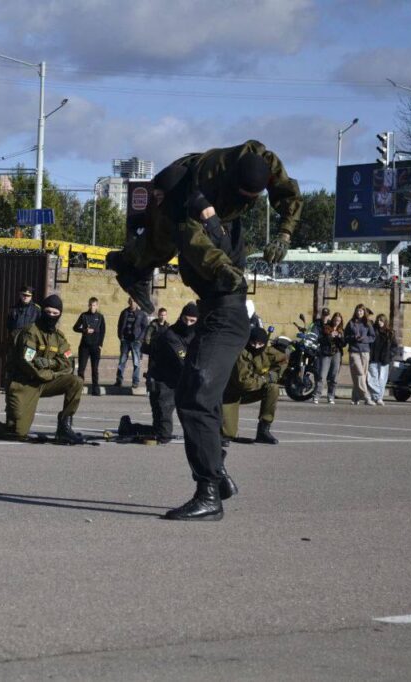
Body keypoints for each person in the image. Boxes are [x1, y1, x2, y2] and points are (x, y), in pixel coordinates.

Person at [106, 140, 300, 521]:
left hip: (227, 316)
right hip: (217, 311)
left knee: (194, 398)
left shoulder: (256, 169)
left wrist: (285, 234)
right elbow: (180, 239)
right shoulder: (188, 206)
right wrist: (127, 257)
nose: (247, 202)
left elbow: (283, 197)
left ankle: (208, 492)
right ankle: (218, 475)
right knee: (198, 398)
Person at [0, 294, 84, 444]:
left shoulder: (58, 337)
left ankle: (64, 427)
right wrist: (50, 373)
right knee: (18, 433)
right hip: (24, 383)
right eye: (48, 312)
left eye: (55, 313)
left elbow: (68, 362)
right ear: (42, 312)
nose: (51, 316)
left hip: (46, 381)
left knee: (76, 381)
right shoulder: (30, 333)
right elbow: (27, 362)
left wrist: (49, 364)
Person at [118, 302, 199, 443]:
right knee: (163, 434)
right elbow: (185, 361)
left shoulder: (196, 334)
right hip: (162, 384)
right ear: (181, 317)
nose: (188, 324)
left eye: (192, 321)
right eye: (185, 319)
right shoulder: (171, 335)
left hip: (179, 382)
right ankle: (128, 427)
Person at [221, 326, 288, 445]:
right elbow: (245, 383)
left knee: (273, 388)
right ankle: (218, 433)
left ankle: (263, 430)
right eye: (253, 343)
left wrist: (275, 374)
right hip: (230, 394)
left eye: (260, 344)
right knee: (228, 434)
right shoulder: (241, 353)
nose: (256, 347)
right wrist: (264, 378)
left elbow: (283, 359)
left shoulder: (267, 352)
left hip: (251, 391)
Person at [72, 297, 106, 392]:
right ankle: (79, 387)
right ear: (88, 305)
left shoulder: (100, 317)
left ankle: (95, 388)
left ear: (97, 306)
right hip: (84, 346)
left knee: (95, 369)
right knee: (81, 368)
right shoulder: (84, 315)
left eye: (94, 305)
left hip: (95, 346)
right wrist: (84, 330)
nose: (92, 307)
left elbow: (103, 331)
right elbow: (75, 328)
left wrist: (100, 344)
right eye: (90, 305)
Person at [345, 304, 376, 405]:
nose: (359, 313)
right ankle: (367, 397)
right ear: (355, 312)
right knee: (359, 374)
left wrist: (364, 339)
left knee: (361, 376)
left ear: (364, 312)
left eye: (361, 311)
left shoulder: (368, 323)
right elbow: (345, 337)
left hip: (365, 352)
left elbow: (372, 337)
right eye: (358, 311)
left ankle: (355, 398)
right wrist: (353, 338)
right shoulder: (351, 323)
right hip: (354, 352)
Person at [115, 298, 149, 388]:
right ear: (128, 302)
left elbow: (145, 328)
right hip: (125, 340)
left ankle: (135, 381)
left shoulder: (142, 314)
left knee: (136, 362)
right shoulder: (124, 312)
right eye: (131, 301)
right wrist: (120, 337)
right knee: (122, 361)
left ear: (137, 303)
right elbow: (119, 325)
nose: (132, 303)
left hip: (136, 341)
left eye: (134, 301)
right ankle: (119, 380)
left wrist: (139, 339)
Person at [313, 311, 345, 405]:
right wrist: (330, 336)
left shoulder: (341, 330)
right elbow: (320, 340)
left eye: (338, 320)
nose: (336, 322)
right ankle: (317, 396)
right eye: (335, 320)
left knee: (334, 376)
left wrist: (340, 337)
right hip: (326, 353)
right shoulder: (326, 327)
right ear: (332, 319)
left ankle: (331, 396)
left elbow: (344, 344)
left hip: (336, 354)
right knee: (322, 376)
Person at [367, 314, 397, 406]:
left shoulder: (390, 332)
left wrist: (390, 355)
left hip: (384, 360)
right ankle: (377, 396)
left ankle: (378, 397)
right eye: (378, 320)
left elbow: (394, 347)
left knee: (382, 380)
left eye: (381, 320)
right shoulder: (373, 330)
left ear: (385, 322)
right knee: (372, 378)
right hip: (373, 358)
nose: (380, 322)